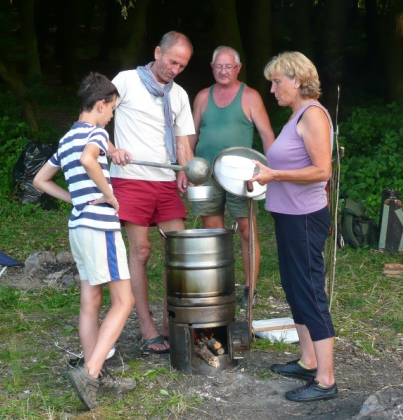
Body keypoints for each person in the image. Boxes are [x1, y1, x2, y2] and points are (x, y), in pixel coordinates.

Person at [33, 72, 137, 410]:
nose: (111, 116)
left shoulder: (67, 138)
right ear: (100, 104)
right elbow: (88, 159)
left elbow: (40, 180)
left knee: (90, 300)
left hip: (78, 225)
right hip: (100, 227)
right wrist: (110, 195)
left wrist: (75, 199)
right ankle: (90, 373)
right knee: (124, 301)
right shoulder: (96, 132)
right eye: (112, 109)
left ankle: (96, 374)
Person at [251, 52, 338, 402]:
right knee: (293, 286)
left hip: (304, 218)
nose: (272, 89)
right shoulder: (296, 116)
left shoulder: (313, 115)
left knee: (310, 291)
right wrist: (266, 175)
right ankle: (308, 360)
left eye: (277, 82)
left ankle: (326, 380)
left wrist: (274, 175)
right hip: (288, 216)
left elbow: (322, 171)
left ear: (297, 81)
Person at [109, 31, 196, 354]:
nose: (175, 70)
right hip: (131, 178)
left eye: (182, 66)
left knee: (180, 253)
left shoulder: (179, 95)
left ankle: (172, 321)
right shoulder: (127, 81)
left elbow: (183, 141)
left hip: (164, 180)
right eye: (172, 62)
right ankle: (147, 328)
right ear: (158, 52)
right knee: (141, 251)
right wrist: (111, 149)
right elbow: (94, 118)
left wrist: (185, 169)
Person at [188, 46, 275, 307]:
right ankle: (219, 285)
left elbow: (267, 134)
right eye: (219, 66)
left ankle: (250, 288)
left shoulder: (250, 96)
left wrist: (269, 169)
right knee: (212, 232)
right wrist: (186, 168)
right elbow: (191, 135)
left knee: (247, 230)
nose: (223, 71)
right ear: (212, 68)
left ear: (238, 68)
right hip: (205, 173)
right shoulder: (203, 97)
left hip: (241, 174)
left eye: (229, 66)